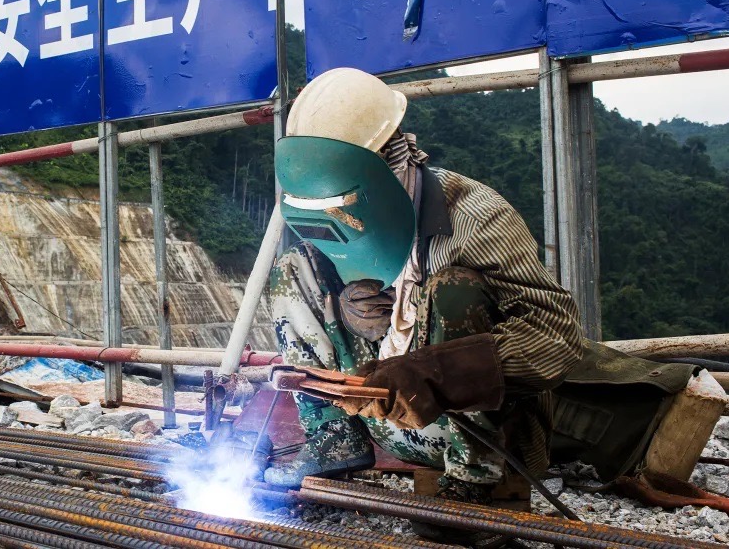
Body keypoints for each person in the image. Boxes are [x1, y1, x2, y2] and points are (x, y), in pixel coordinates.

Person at [261, 68, 697, 508]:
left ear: (387, 163)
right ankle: (334, 441)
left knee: (454, 290)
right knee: (293, 267)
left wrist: (436, 368)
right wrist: (353, 314)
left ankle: (475, 485)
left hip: (472, 430)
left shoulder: (475, 217)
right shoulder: (337, 214)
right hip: (381, 415)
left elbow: (556, 337)